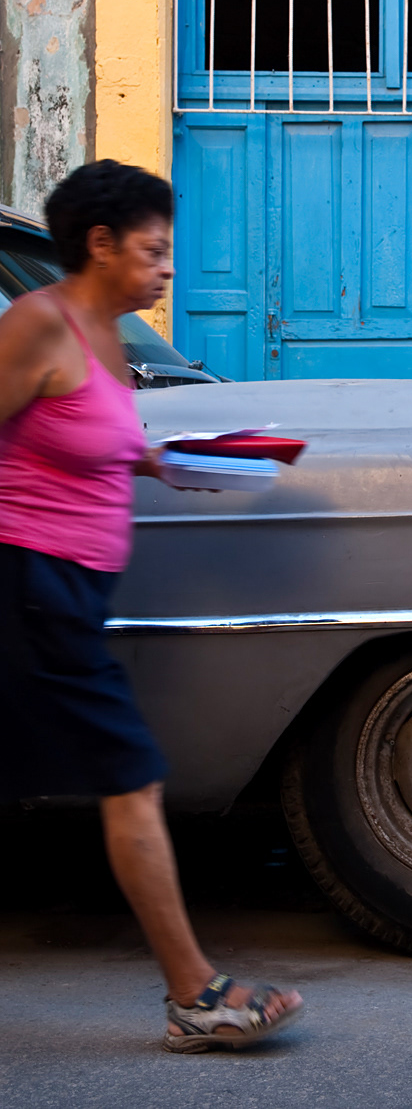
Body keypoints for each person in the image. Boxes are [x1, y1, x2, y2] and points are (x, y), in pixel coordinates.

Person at [0, 160, 303, 1052]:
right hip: (31, 584)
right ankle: (197, 995)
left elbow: (73, 435)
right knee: (131, 778)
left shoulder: (106, 336)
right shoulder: (40, 323)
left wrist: (168, 461)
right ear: (100, 244)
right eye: (154, 249)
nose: (169, 267)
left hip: (71, 590)